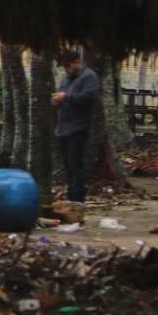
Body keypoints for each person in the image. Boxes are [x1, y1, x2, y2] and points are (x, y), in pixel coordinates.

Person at [52, 51, 101, 202]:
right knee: (67, 166)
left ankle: (78, 199)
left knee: (76, 165)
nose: (66, 69)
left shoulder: (88, 76)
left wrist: (66, 97)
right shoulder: (67, 79)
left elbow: (89, 97)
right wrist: (57, 100)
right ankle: (70, 195)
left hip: (78, 128)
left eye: (68, 65)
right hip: (63, 128)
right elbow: (61, 94)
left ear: (77, 62)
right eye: (64, 67)